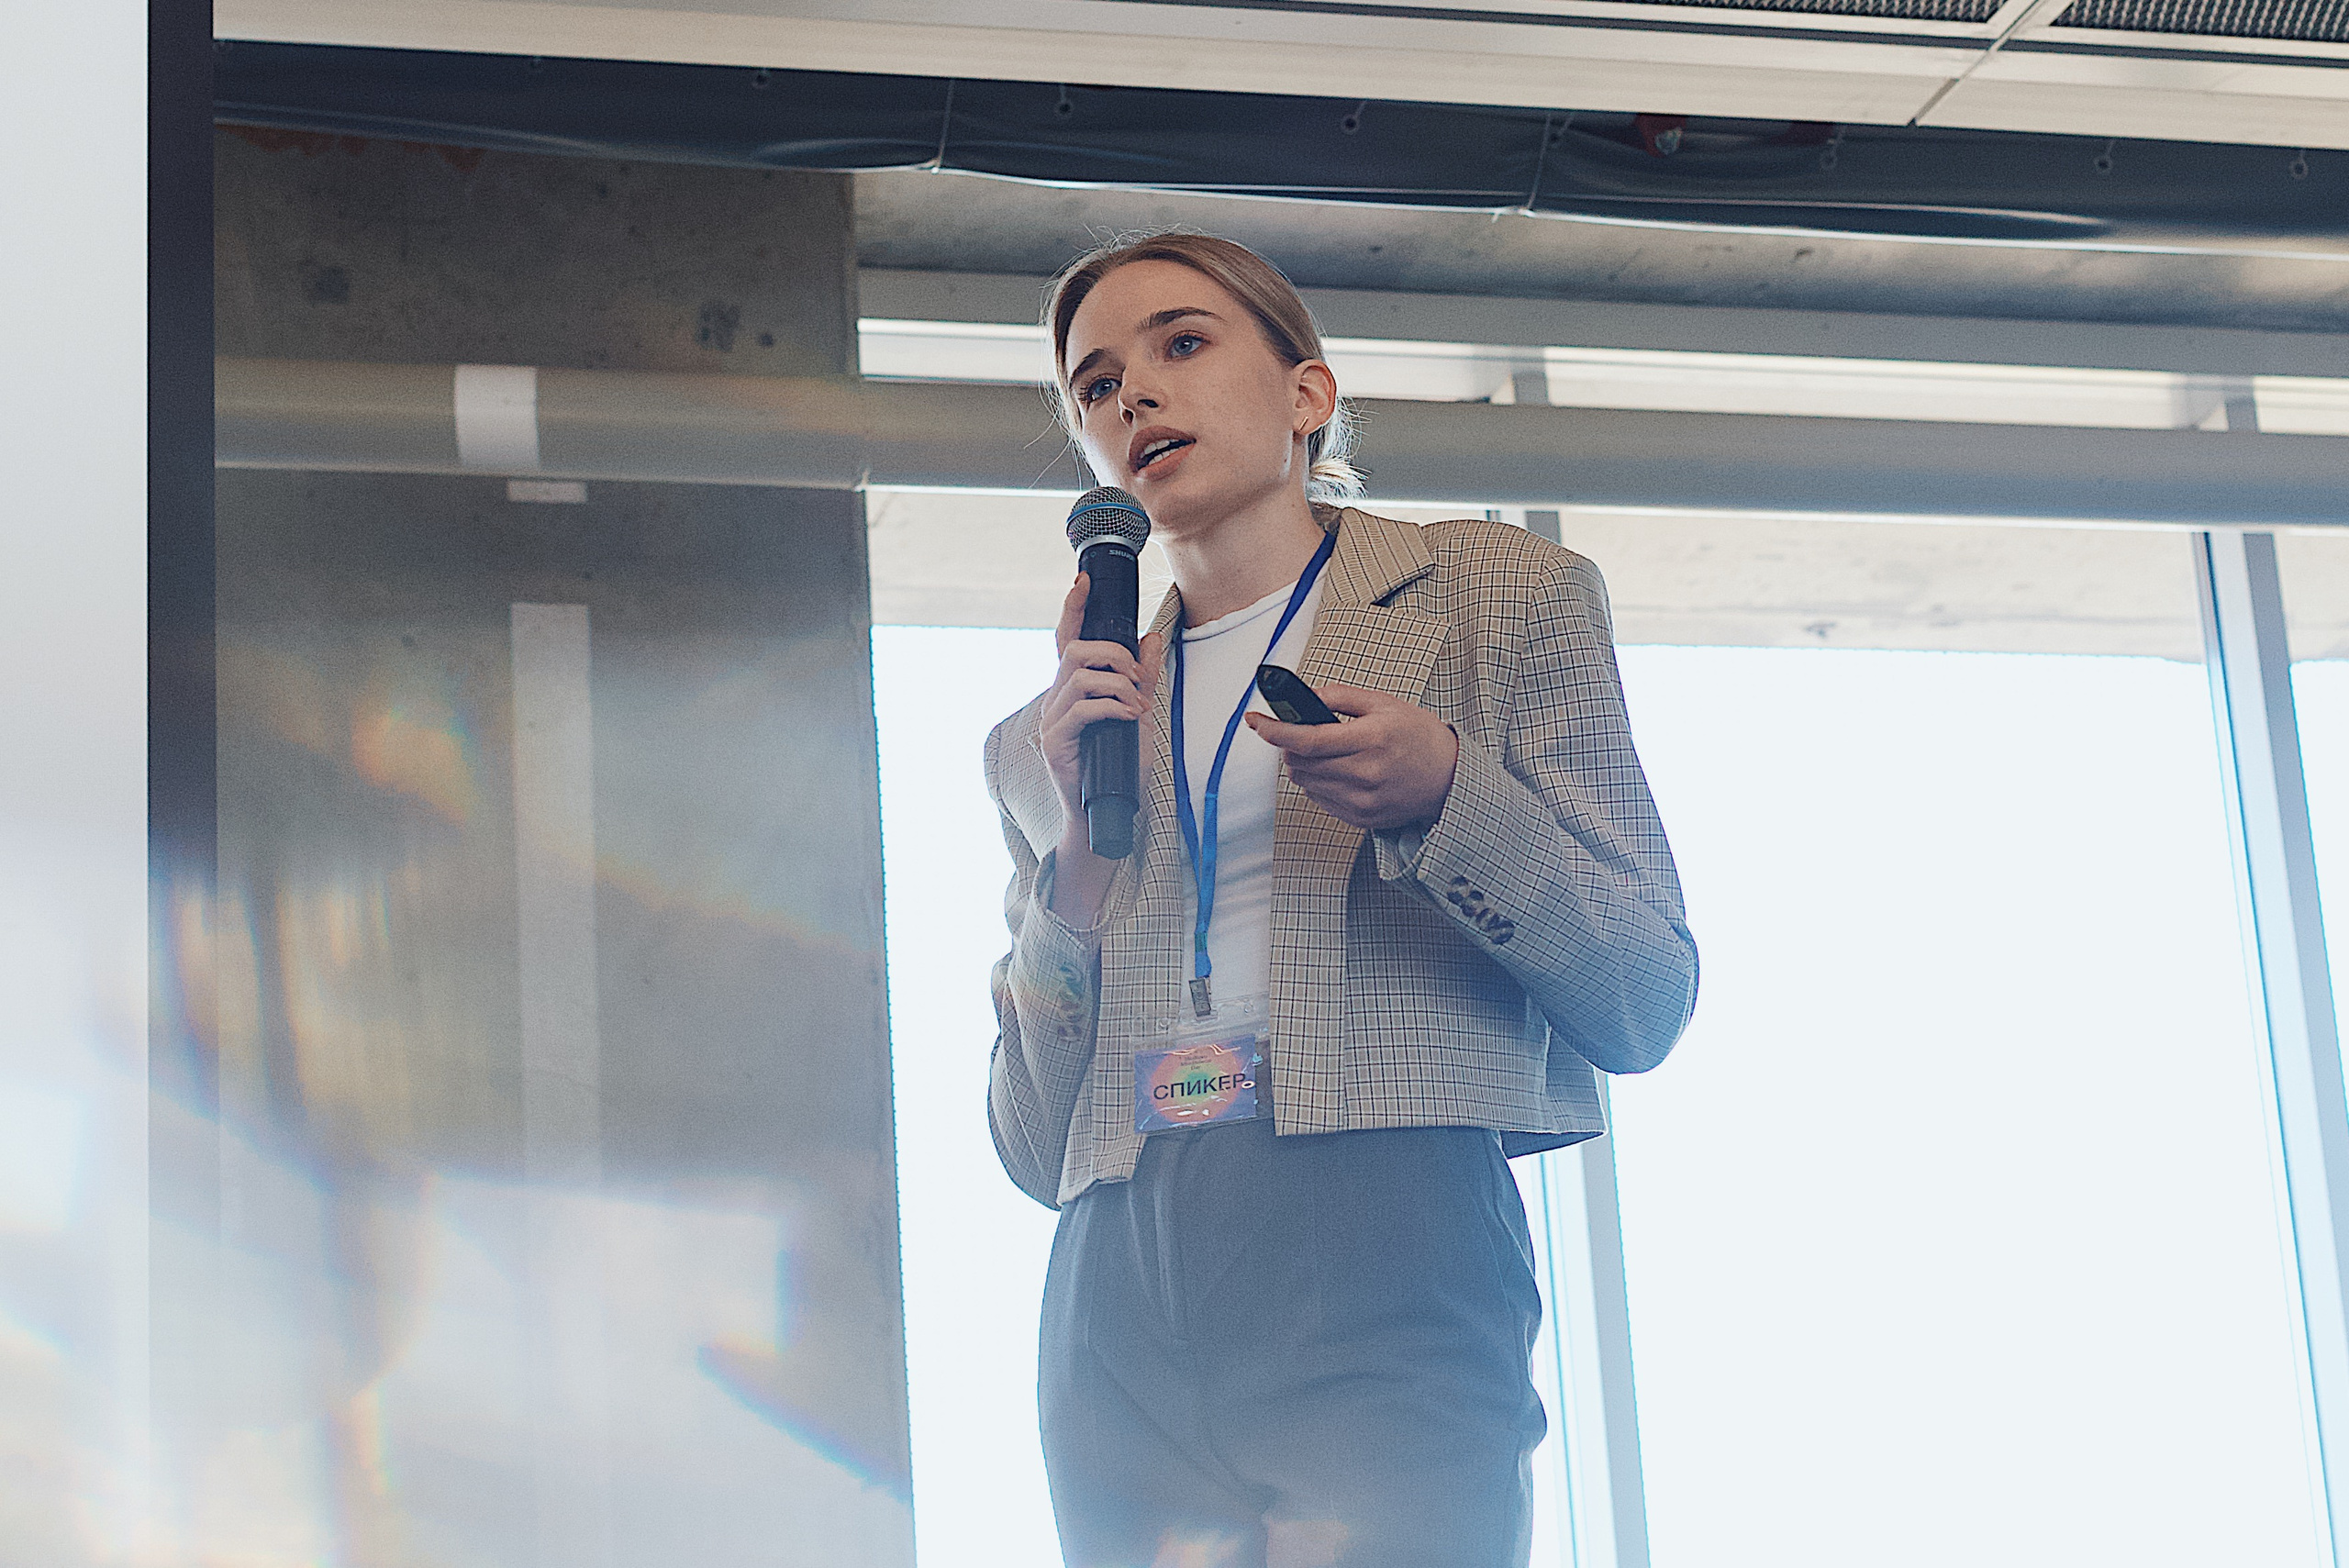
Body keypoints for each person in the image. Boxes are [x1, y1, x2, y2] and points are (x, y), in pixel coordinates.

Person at [983, 231, 1698, 1568]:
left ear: (1307, 393)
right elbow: (1030, 1141)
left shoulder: (1499, 594)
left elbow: (1644, 992)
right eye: (1092, 384)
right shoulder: (1048, 736)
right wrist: (1073, 875)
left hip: (1385, 1210)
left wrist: (1445, 793)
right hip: (1121, 1265)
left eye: (1180, 344)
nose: (1131, 393)